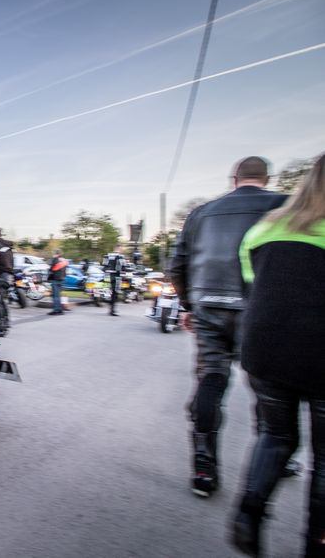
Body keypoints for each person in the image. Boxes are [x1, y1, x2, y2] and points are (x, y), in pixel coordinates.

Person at [169, 156, 288, 498]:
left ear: (233, 178)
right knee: (268, 389)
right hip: (262, 309)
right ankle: (274, 457)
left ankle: (203, 467)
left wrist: (190, 306)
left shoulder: (201, 213)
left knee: (211, 379)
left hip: (209, 306)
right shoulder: (285, 206)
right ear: (267, 178)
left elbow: (177, 265)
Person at [229, 154, 325, 556]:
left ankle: (249, 513)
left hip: (265, 345)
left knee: (275, 435)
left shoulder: (265, 227)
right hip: (318, 349)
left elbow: (254, 283)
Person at [103, 245, 125, 316]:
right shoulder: (120, 257)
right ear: (119, 249)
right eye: (121, 249)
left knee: (107, 291)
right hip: (116, 276)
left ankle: (110, 306)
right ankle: (112, 310)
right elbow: (122, 267)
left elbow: (104, 266)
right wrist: (123, 273)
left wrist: (106, 272)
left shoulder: (107, 255)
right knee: (115, 293)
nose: (122, 250)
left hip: (107, 276)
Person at [47, 249, 67, 315]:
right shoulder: (64, 260)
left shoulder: (55, 259)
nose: (53, 254)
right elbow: (65, 271)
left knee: (55, 296)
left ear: (56, 254)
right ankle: (60, 310)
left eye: (54, 253)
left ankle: (56, 310)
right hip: (62, 279)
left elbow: (51, 269)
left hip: (55, 279)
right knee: (58, 295)